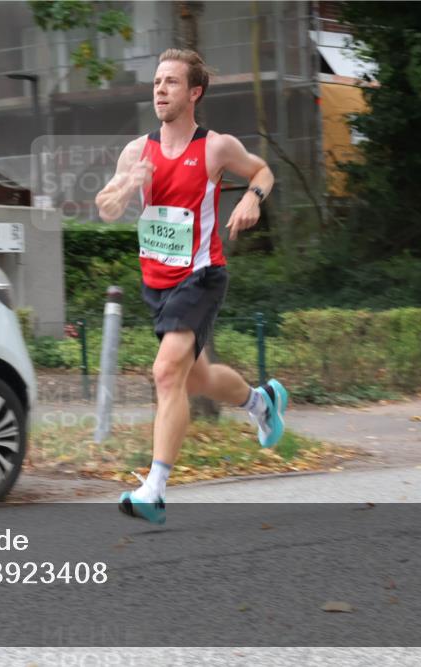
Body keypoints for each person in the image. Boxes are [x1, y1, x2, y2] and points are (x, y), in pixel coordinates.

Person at [95, 48, 288, 524]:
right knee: (196, 378)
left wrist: (252, 199)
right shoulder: (138, 150)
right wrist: (127, 185)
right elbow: (105, 207)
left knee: (165, 373)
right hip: (157, 283)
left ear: (194, 92)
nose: (160, 89)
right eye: (157, 82)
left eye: (171, 83)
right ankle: (261, 401)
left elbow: (262, 170)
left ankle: (154, 489)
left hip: (200, 276)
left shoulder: (215, 147)